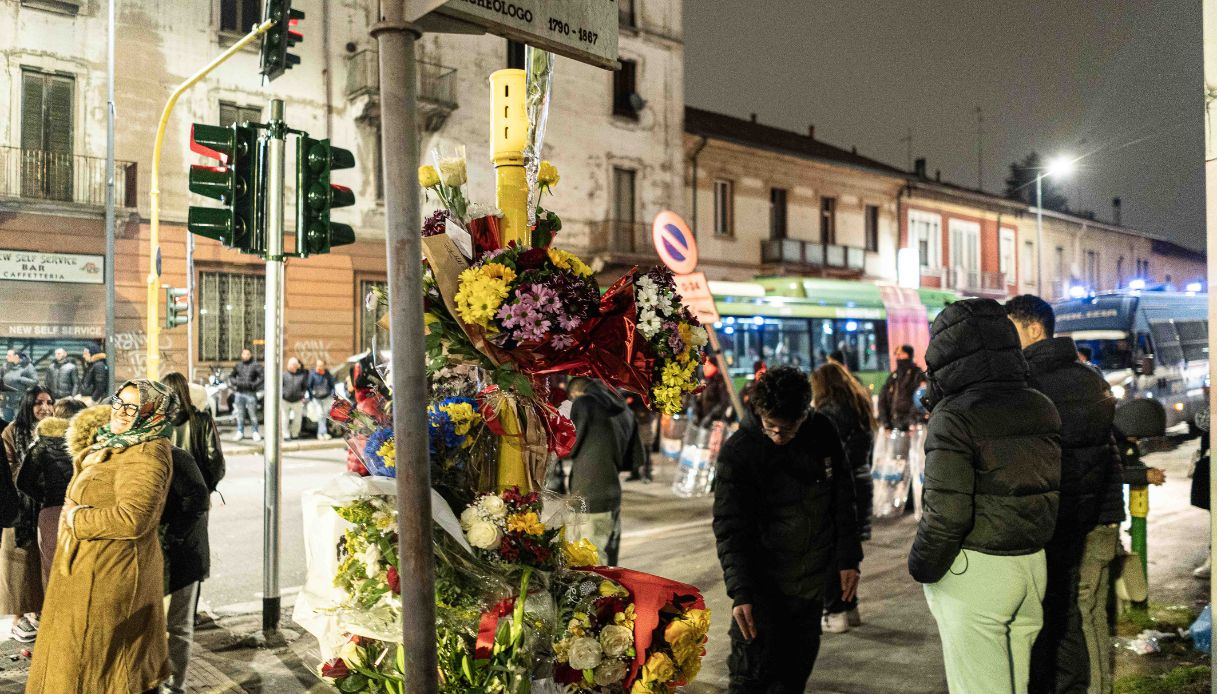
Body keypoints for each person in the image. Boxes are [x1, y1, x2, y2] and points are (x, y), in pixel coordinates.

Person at [909, 298, 1061, 694]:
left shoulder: (954, 415)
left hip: (977, 570)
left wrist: (922, 566)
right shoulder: (1040, 403)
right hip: (1031, 564)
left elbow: (946, 514)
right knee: (1017, 683)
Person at [714, 366, 862, 692]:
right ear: (758, 412)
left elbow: (843, 498)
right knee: (750, 682)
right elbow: (730, 528)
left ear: (805, 413)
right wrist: (741, 592)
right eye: (771, 427)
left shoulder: (822, 431)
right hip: (761, 593)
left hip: (809, 591)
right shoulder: (740, 452)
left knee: (793, 682)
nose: (779, 436)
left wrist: (848, 558)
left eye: (788, 428)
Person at [26, 378, 178, 693]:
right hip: (86, 575)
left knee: (104, 675)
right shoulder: (114, 441)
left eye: (133, 406)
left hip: (110, 580)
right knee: (84, 670)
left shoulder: (146, 452)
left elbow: (133, 519)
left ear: (151, 412)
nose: (121, 411)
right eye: (119, 402)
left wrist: (78, 518)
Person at [1006, 294, 1122, 693]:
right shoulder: (1089, 377)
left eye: (1013, 330)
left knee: (1061, 620)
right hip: (1082, 518)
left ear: (1034, 329)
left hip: (1054, 523)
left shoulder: (1034, 384)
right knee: (1070, 619)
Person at [811, 361, 876, 633]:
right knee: (850, 547)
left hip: (840, 483)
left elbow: (823, 455)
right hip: (862, 479)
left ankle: (835, 610)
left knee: (830, 549)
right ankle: (851, 606)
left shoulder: (827, 414)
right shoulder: (860, 406)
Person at [562, 378, 644, 565]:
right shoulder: (624, 410)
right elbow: (634, 459)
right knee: (609, 562)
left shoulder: (584, 403)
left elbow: (567, 446)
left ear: (576, 392)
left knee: (589, 563)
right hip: (612, 494)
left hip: (588, 494)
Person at [16, 398, 86, 590]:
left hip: (52, 513)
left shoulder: (42, 444)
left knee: (53, 577)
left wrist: (45, 496)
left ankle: (56, 618)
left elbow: (23, 482)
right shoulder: (92, 443)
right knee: (84, 576)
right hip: (86, 513)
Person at [161, 431, 211, 694]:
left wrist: (170, 535)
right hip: (162, 555)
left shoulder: (176, 458)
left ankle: (174, 686)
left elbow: (198, 500)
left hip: (183, 556)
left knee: (177, 625)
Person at [0, 386, 52, 642]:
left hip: (45, 507)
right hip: (20, 509)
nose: (45, 407)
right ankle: (19, 618)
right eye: (38, 403)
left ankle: (38, 611)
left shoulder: (55, 431)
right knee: (19, 567)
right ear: (27, 405)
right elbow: (9, 467)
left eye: (48, 402)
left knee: (40, 564)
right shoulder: (12, 431)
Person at [878, 344, 925, 430]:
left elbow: (921, 400)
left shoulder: (917, 375)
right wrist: (885, 422)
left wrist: (911, 421)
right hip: (893, 425)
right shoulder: (893, 376)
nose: (898, 357)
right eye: (897, 354)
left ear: (908, 355)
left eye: (901, 354)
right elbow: (883, 399)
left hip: (912, 427)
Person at [229, 347, 263, 442]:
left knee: (253, 414)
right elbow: (231, 376)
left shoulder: (255, 365)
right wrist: (235, 382)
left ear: (251, 355)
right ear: (241, 355)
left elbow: (262, 377)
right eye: (244, 354)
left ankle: (255, 432)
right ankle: (240, 432)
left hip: (251, 393)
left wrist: (253, 385)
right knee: (240, 414)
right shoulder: (238, 365)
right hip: (239, 393)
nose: (245, 356)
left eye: (248, 354)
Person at [1, 350, 38, 421]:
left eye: (9, 355)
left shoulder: (28, 366)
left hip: (19, 401)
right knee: (6, 423)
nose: (6, 357)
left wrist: (21, 379)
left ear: (16, 356)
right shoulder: (5, 365)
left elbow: (35, 381)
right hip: (6, 401)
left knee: (20, 423)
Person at [306, 359, 337, 440]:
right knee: (320, 415)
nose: (319, 367)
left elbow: (332, 385)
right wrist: (311, 397)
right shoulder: (313, 374)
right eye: (318, 365)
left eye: (321, 365)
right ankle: (321, 433)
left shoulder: (327, 374)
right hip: (317, 398)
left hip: (326, 397)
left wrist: (332, 394)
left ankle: (324, 433)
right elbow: (309, 386)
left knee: (325, 415)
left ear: (324, 366)